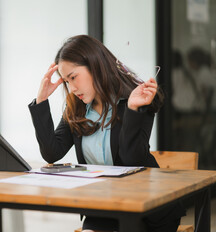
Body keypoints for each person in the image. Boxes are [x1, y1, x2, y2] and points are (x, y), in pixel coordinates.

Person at [28, 35, 185, 232]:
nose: (72, 88)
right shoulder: (76, 108)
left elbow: (132, 159)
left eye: (73, 77)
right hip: (104, 208)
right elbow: (52, 152)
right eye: (66, 82)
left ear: (94, 66)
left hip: (147, 209)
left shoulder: (136, 99)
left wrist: (133, 110)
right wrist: (41, 101)